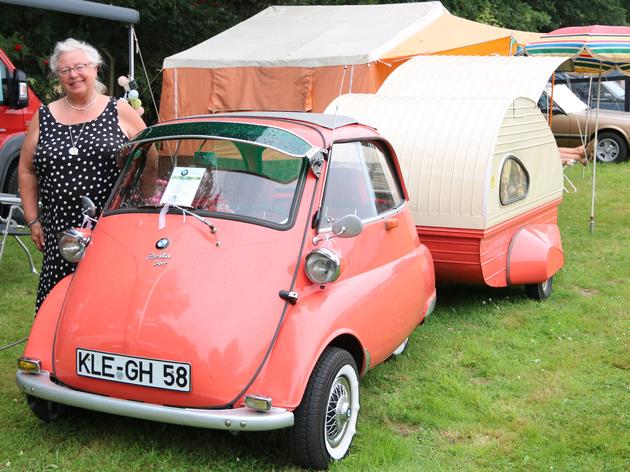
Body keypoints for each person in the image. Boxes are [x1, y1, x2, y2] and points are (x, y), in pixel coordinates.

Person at [18, 38, 147, 313]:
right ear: (58, 76)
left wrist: (142, 210)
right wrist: (33, 220)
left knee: (108, 306)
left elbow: (149, 157)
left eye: (80, 67)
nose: (73, 74)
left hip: (111, 230)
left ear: (95, 68)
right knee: (58, 308)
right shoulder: (44, 116)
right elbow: (27, 170)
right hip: (59, 233)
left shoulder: (119, 110)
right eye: (65, 70)